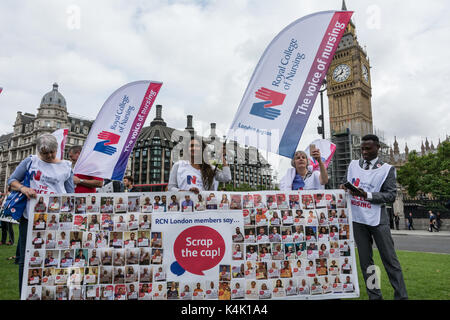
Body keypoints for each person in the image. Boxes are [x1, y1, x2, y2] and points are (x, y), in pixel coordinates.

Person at [341, 134, 407, 300]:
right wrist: (344, 187)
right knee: (366, 263)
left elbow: (391, 195)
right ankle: (374, 296)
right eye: (362, 149)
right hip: (358, 220)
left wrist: (367, 195)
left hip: (378, 221)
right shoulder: (353, 165)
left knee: (390, 262)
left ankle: (401, 296)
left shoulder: (387, 169)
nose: (364, 152)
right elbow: (343, 183)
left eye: (368, 149)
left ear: (377, 148)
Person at [7, 134, 74, 296]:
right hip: (30, 217)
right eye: (45, 153)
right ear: (39, 151)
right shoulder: (30, 161)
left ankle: (51, 290)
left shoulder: (66, 166)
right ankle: (24, 294)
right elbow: (12, 180)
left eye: (52, 152)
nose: (50, 156)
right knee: (26, 258)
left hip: (57, 218)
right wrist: (23, 188)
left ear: (57, 149)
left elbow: (71, 193)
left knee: (55, 255)